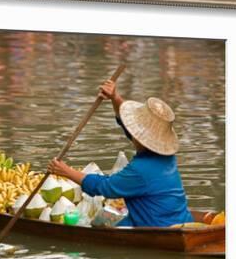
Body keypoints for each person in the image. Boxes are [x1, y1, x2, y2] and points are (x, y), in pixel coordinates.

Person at [47, 79, 193, 227]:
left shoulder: (140, 169)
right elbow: (130, 129)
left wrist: (66, 171)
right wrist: (115, 98)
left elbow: (105, 187)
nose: (131, 131)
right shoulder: (167, 157)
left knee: (99, 223)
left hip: (156, 225)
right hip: (182, 220)